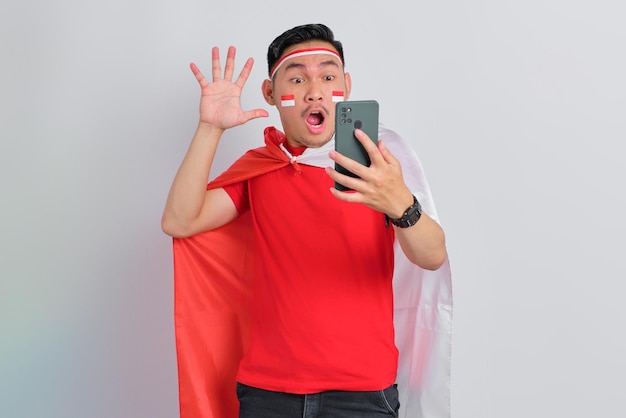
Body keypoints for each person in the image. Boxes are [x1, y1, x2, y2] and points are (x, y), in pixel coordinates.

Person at [162, 23, 452, 418]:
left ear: (346, 87)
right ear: (270, 94)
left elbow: (432, 255)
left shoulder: (381, 166)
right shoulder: (262, 168)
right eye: (296, 78)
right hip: (267, 393)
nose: (314, 91)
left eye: (327, 76)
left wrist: (399, 202)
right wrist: (210, 128)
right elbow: (180, 220)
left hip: (363, 395)